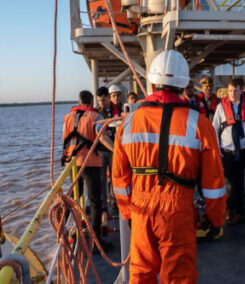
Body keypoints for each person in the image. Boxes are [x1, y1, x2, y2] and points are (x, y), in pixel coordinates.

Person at [112, 50, 226, 283]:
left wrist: (128, 212)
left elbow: (119, 178)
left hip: (141, 210)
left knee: (141, 274)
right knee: (179, 277)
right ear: (184, 84)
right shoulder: (200, 123)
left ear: (152, 82)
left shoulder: (129, 122)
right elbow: (214, 183)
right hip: (178, 210)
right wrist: (215, 219)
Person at [62, 90, 114, 250]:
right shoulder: (95, 117)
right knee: (95, 202)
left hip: (72, 164)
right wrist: (118, 150)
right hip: (90, 163)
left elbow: (64, 138)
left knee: (72, 198)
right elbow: (103, 137)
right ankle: (97, 242)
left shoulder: (68, 117)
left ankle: (61, 231)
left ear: (79, 102)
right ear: (91, 102)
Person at [212, 78, 245, 225]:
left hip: (244, 151)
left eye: (235, 91)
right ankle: (238, 212)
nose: (232, 94)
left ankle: (232, 209)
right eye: (230, 91)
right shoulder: (221, 107)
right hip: (227, 151)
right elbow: (214, 129)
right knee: (234, 182)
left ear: (241, 91)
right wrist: (217, 149)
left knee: (236, 182)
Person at [96, 86, 120, 211]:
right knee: (102, 179)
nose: (101, 103)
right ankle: (104, 205)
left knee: (115, 178)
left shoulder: (118, 110)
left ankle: (115, 201)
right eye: (99, 100)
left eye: (103, 100)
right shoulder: (96, 113)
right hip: (101, 151)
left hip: (114, 150)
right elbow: (101, 136)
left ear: (108, 98)